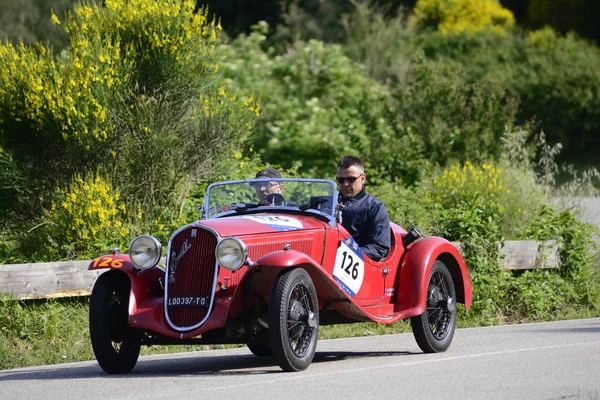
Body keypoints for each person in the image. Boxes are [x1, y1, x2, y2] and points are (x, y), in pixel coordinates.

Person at [336, 155, 391, 260]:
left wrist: (346, 252)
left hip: (354, 265)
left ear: (362, 178)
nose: (345, 184)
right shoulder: (327, 202)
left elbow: (379, 247)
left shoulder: (374, 207)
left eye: (351, 179)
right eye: (341, 180)